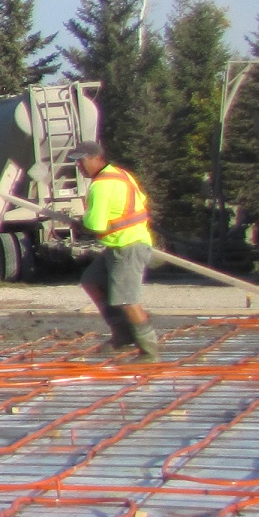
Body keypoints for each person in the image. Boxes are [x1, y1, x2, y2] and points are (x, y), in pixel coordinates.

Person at [74, 140, 161, 361]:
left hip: (128, 246)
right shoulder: (120, 174)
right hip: (120, 244)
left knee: (127, 300)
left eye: (82, 161)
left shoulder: (101, 185)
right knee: (92, 281)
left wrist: (80, 222)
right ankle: (122, 335)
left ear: (96, 158)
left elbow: (95, 224)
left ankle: (149, 353)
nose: (79, 166)